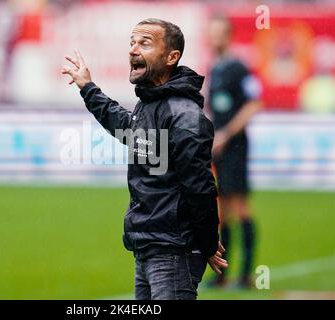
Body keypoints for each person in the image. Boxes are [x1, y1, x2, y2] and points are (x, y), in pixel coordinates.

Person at [62, 18, 227, 300]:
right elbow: (126, 128)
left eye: (145, 43)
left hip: (174, 252)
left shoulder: (183, 115)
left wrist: (208, 243)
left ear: (171, 57)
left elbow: (200, 187)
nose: (133, 49)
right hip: (150, 247)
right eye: (132, 43)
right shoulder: (152, 103)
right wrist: (88, 88)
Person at [207, 15, 263, 288]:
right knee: (222, 211)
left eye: (218, 33)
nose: (214, 38)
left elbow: (254, 104)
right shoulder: (214, 68)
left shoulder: (238, 67)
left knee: (240, 207)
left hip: (235, 147)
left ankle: (246, 274)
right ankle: (222, 276)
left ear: (228, 36)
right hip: (217, 147)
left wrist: (227, 134)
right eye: (211, 33)